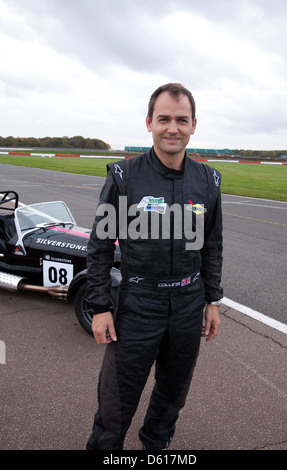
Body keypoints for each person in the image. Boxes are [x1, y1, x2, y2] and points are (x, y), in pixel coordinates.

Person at [85, 83, 223, 450]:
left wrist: (212, 300)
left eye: (181, 120)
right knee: (114, 409)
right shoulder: (124, 176)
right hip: (137, 305)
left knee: (171, 400)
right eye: (164, 119)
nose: (172, 128)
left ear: (194, 125)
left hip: (188, 304)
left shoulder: (208, 181)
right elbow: (99, 246)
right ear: (149, 123)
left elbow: (212, 245)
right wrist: (100, 307)